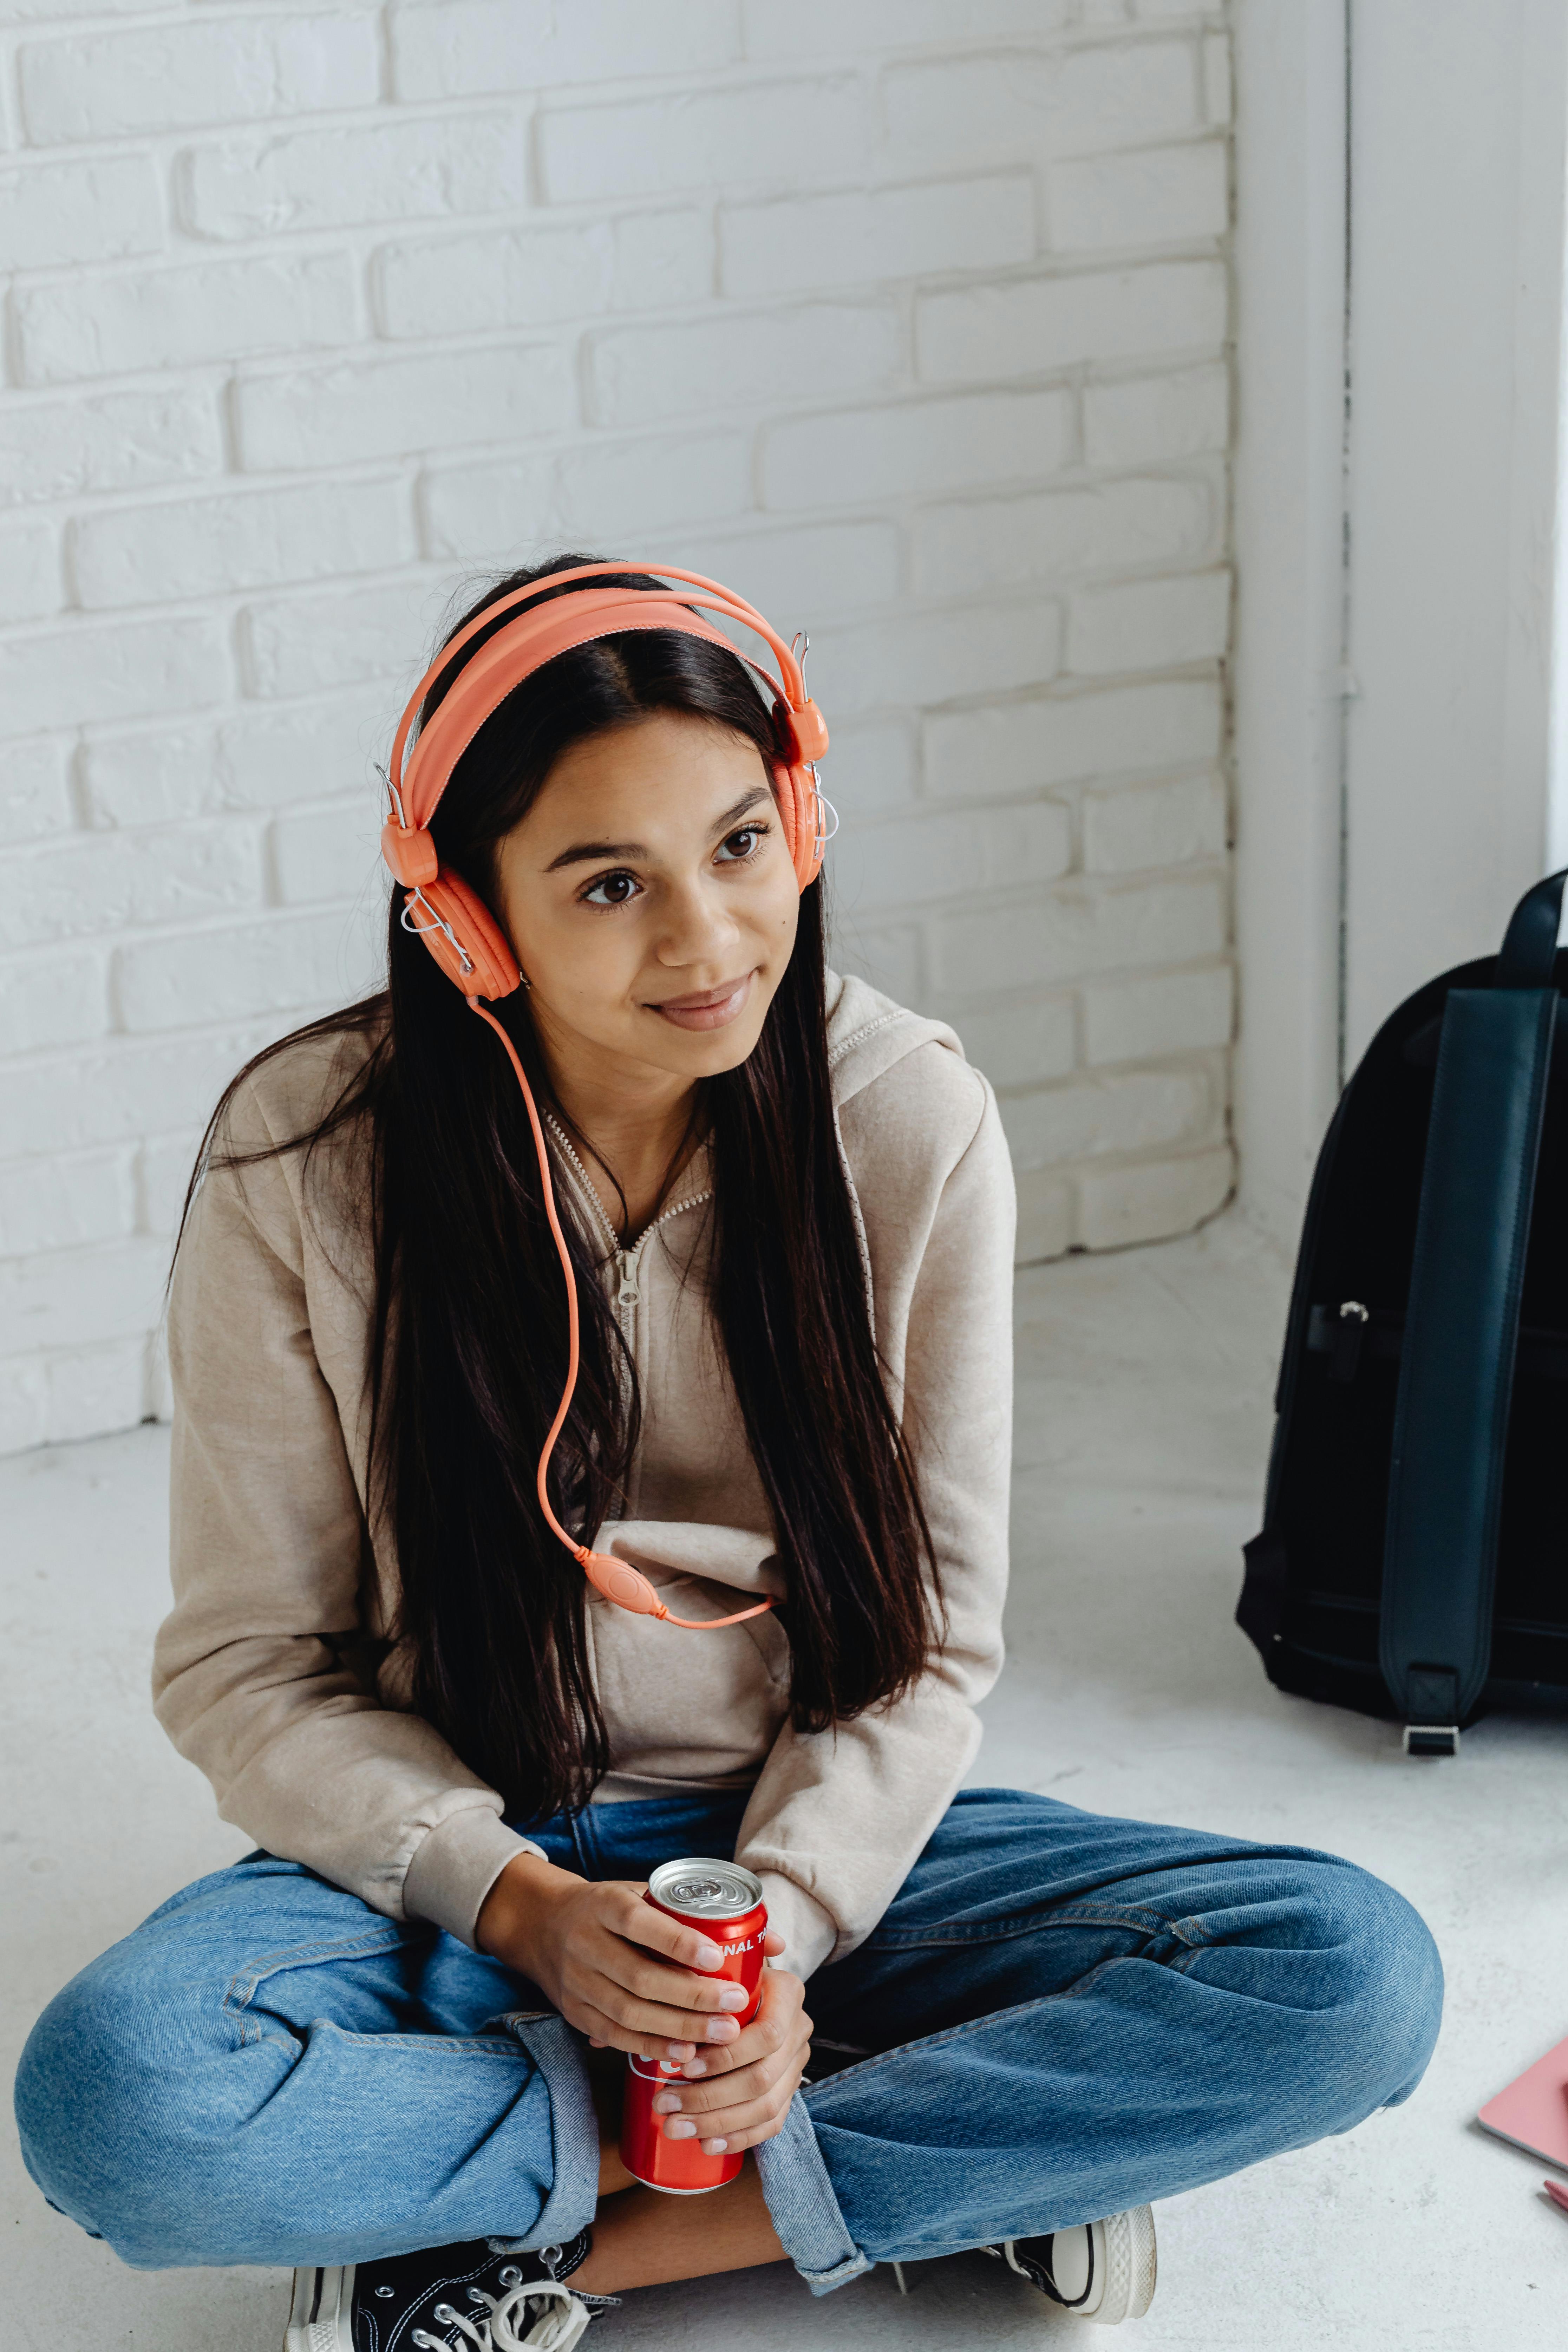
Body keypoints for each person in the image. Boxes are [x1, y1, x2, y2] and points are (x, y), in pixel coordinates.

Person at [15, 558, 1443, 2349]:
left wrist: (774, 1935)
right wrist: (526, 1911)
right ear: (466, 918)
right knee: (118, 2104)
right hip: (475, 1847)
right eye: (610, 884)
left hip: (812, 1846)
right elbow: (252, 1665)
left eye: (742, 844)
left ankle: (555, 2243)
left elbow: (926, 1648)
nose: (706, 941)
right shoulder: (304, 1160)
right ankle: (945, 2147)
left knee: (1350, 1976)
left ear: (805, 823)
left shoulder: (910, 1119)